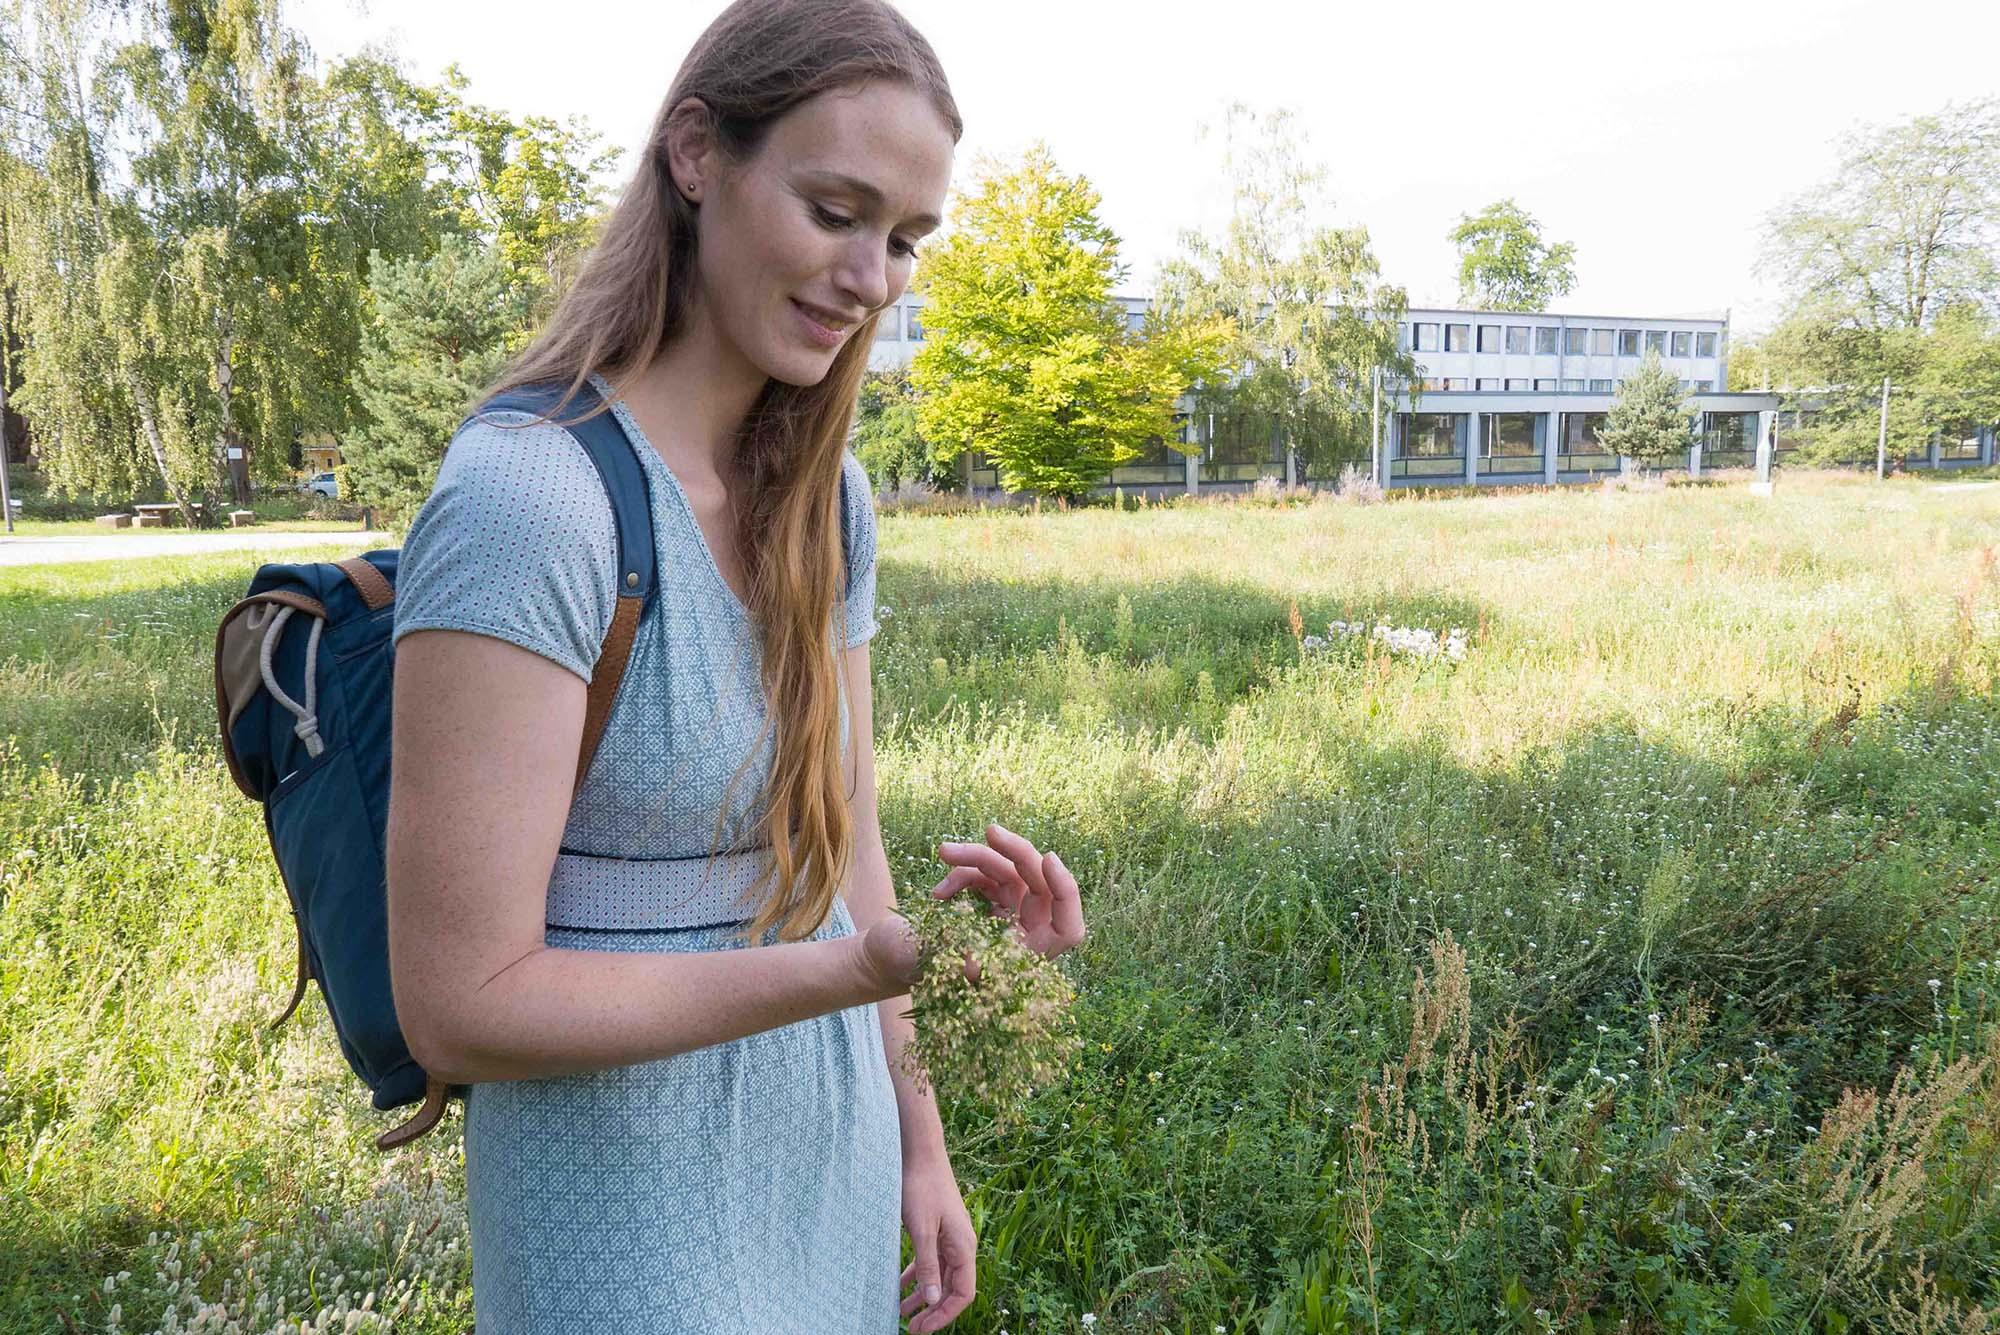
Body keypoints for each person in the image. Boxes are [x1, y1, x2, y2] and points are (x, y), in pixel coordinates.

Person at [382, 2, 1088, 1331]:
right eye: (836, 211)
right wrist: (857, 970)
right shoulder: (530, 500)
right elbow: (460, 1005)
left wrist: (917, 1132)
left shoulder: (830, 502)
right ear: (698, 154)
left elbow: (845, 838)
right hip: (618, 1193)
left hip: (826, 1149)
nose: (874, 276)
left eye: (905, 239)